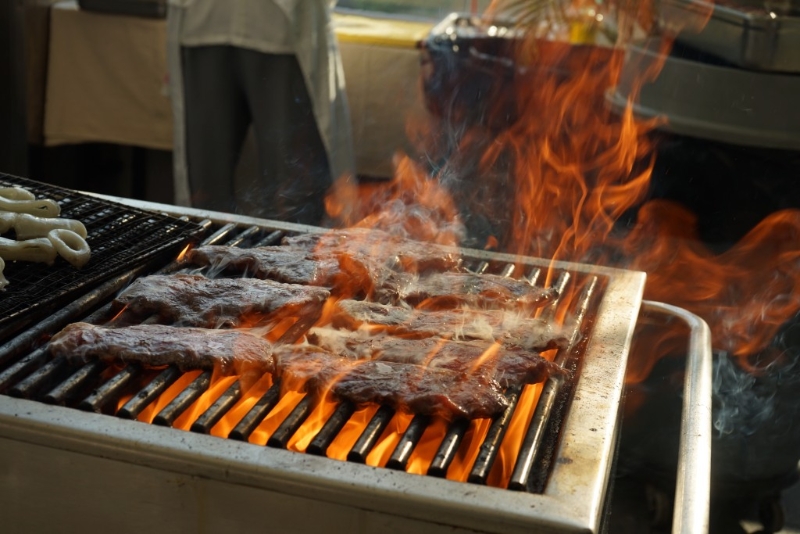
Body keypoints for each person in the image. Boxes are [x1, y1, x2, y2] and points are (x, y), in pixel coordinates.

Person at [166, 0, 354, 225]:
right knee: (205, 188)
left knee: (293, 191)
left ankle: (293, 244)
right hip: (202, 17)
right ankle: (204, 243)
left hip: (284, 22)